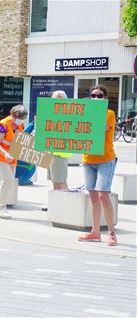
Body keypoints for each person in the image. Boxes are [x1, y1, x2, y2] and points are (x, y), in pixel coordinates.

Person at [78, 85, 118, 246]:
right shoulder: (85, 113)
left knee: (103, 195)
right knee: (94, 197)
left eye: (99, 96)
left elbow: (98, 129)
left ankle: (111, 232)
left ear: (105, 99)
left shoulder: (109, 114)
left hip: (105, 159)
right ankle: (95, 232)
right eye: (93, 95)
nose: (95, 98)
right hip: (88, 160)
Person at [0, 105, 28, 219]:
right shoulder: (3, 125)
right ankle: (0, 207)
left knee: (9, 182)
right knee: (8, 180)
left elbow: (20, 140)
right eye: (19, 118)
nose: (20, 120)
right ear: (12, 115)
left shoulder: (20, 125)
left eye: (23, 118)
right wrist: (5, 154)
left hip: (11, 156)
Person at [47, 90, 72, 191]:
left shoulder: (67, 114)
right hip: (51, 151)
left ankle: (64, 202)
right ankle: (56, 202)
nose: (53, 102)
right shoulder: (52, 113)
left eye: (56, 100)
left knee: (60, 181)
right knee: (54, 180)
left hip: (59, 152)